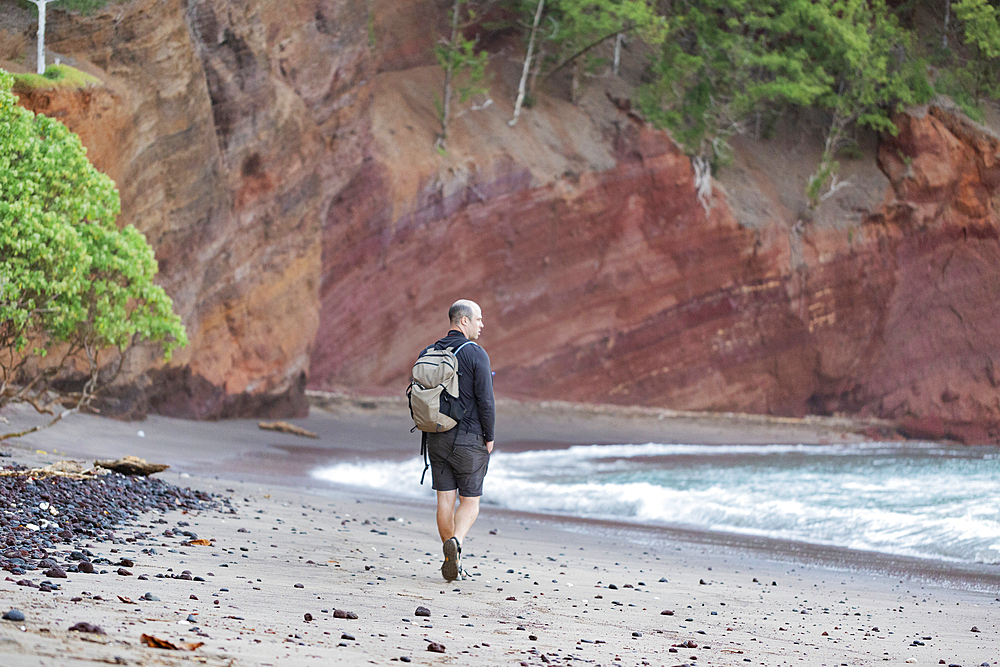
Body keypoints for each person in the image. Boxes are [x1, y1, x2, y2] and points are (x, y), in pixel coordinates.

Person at [421, 299, 495, 581]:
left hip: (436, 435)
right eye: (478, 319)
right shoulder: (476, 354)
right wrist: (489, 437)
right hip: (469, 436)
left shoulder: (429, 351)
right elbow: (486, 401)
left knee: (445, 500)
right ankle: (458, 542)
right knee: (471, 501)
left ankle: (452, 558)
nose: (481, 324)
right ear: (464, 321)